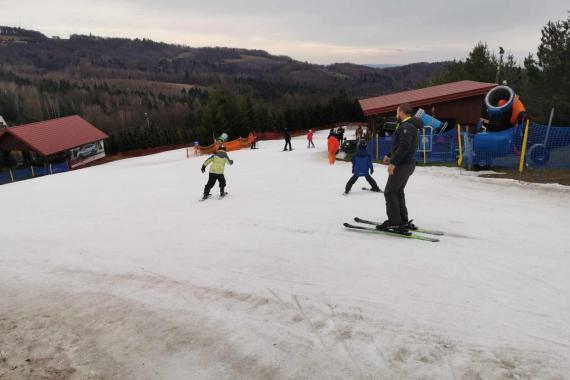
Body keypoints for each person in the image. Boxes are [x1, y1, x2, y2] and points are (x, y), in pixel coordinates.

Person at [378, 103, 419, 233]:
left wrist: (393, 162)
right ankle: (402, 220)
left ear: (402, 112)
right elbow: (400, 146)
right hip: (407, 164)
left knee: (389, 192)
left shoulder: (407, 126)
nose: (396, 114)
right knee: (397, 191)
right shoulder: (407, 126)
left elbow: (404, 146)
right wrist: (390, 155)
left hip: (403, 164)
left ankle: (395, 222)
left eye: (397, 112)